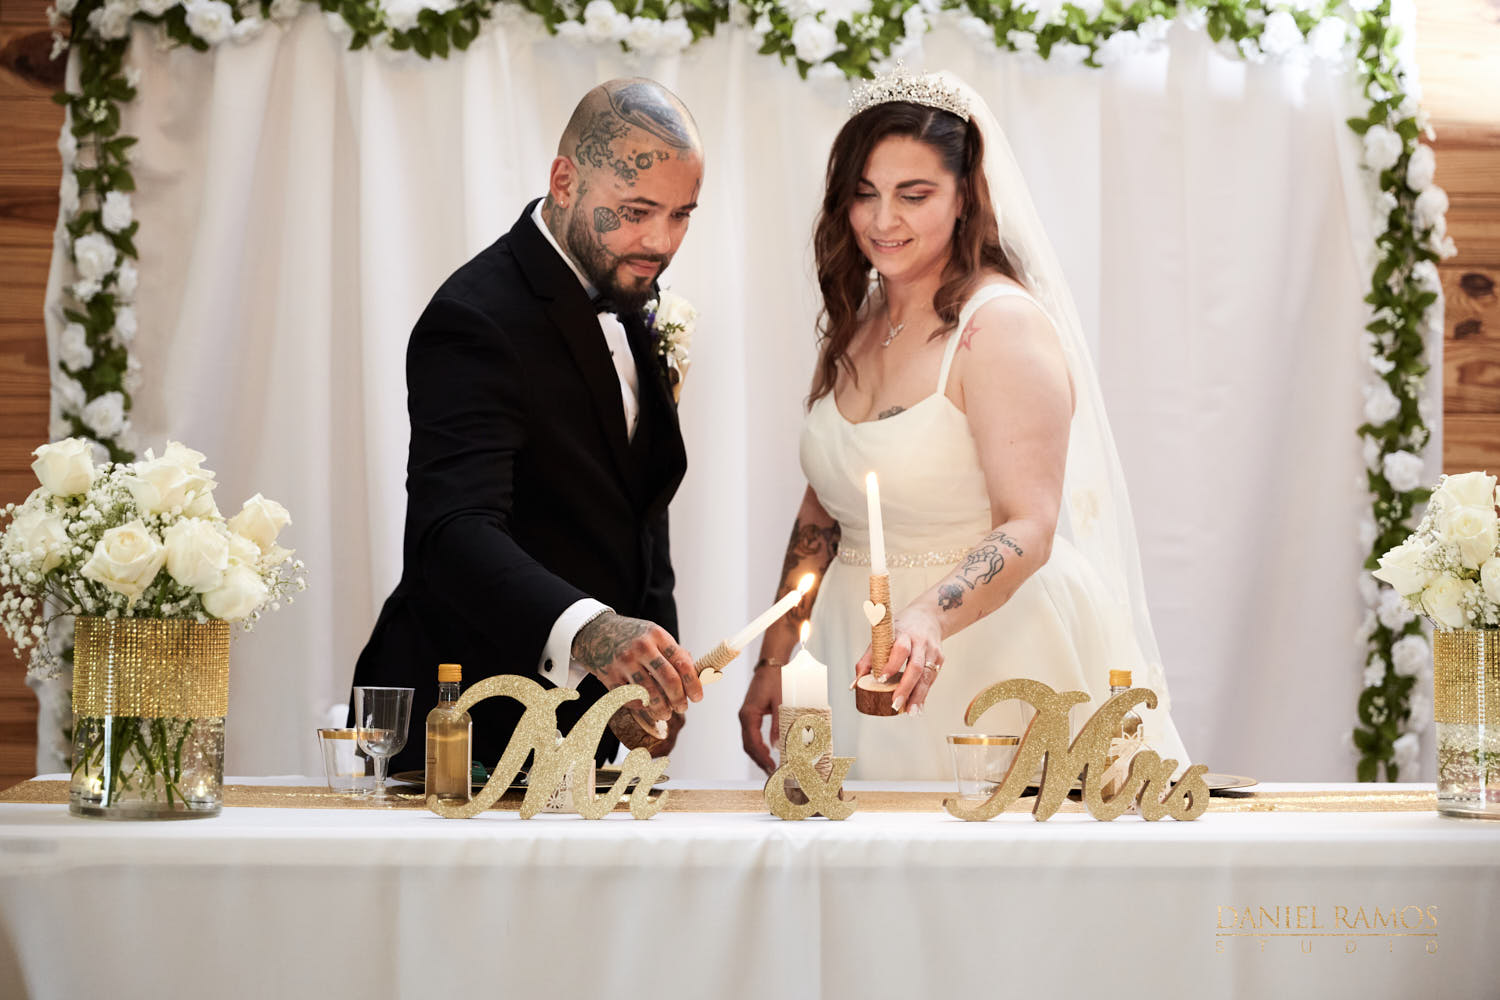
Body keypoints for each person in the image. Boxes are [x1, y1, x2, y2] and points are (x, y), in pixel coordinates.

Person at [738, 70, 1189, 780]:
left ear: (964, 197)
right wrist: (775, 654)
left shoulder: (1000, 327)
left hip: (984, 646)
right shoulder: (860, 321)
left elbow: (1030, 523)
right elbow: (826, 504)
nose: (883, 220)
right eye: (865, 193)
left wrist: (928, 616)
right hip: (851, 646)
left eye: (913, 195)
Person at [353, 78, 706, 774]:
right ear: (564, 181)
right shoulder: (473, 317)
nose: (660, 241)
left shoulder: (630, 285)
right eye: (636, 211)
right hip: (459, 721)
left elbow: (641, 503)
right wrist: (595, 633)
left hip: (583, 729)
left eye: (681, 215)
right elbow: (452, 531)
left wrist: (653, 666)